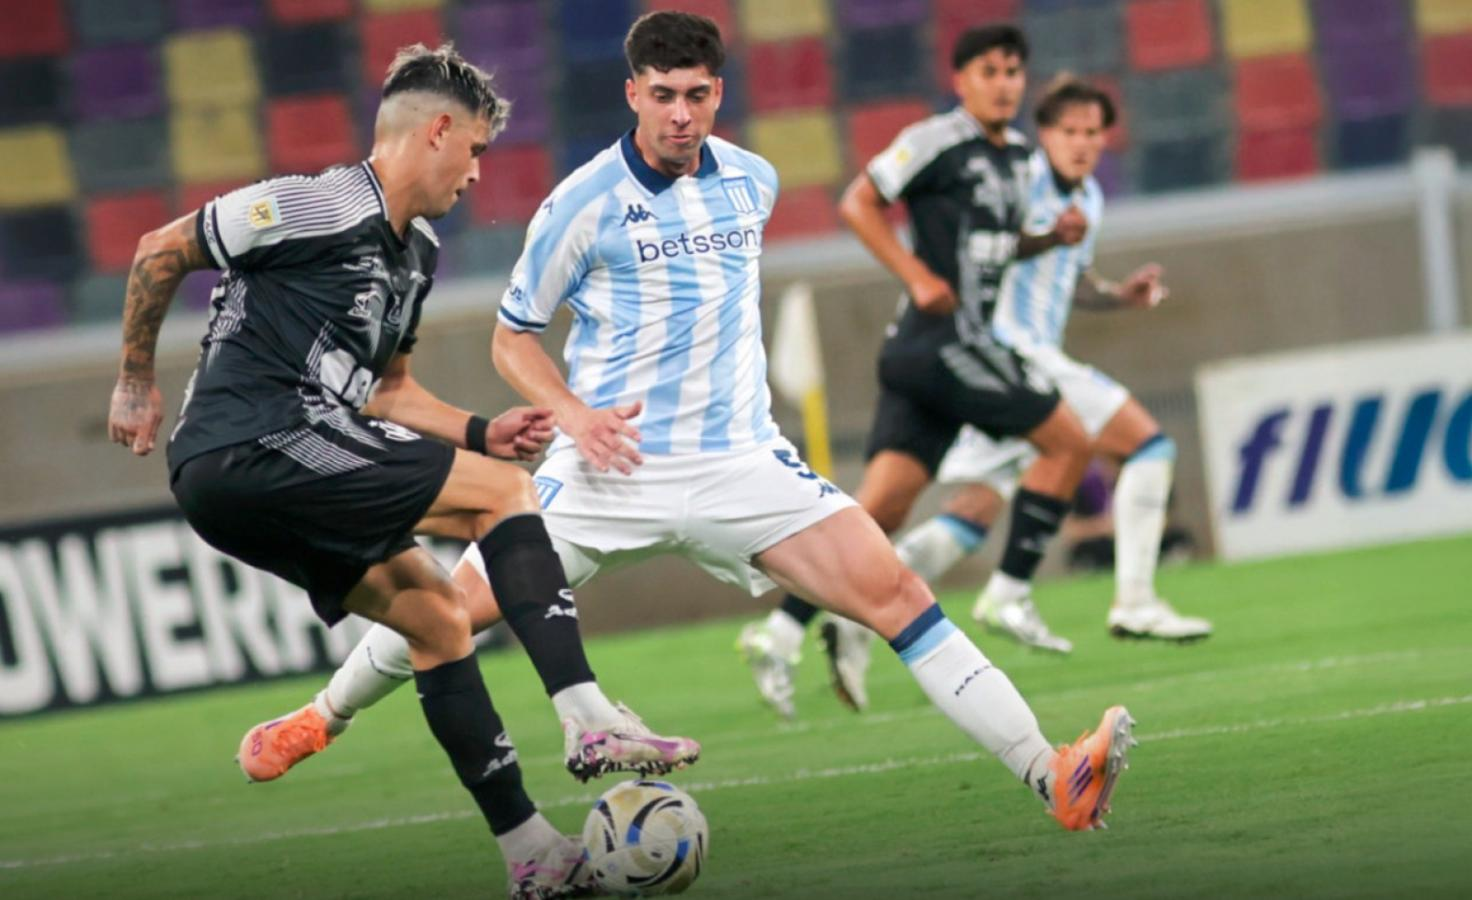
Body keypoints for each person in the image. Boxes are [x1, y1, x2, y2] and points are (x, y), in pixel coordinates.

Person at [244, 12, 1135, 835]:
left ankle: (1050, 774)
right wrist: (576, 416)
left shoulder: (754, 181)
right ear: (632, 93)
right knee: (443, 609)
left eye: (697, 94)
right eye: (663, 94)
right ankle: (321, 717)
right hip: (608, 470)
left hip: (741, 462)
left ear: (718, 92)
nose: (680, 114)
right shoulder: (581, 203)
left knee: (898, 594)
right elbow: (512, 338)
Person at [106, 43, 697, 899]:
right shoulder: (317, 203)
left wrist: (483, 431)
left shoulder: (416, 254)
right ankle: (587, 716)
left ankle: (532, 854)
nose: (477, 175)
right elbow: (160, 249)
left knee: (439, 620)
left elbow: (388, 391)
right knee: (503, 497)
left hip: (267, 466)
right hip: (250, 441)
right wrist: (134, 379)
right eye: (477, 151)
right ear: (439, 131)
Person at [740, 24, 1094, 714]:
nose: (1004, 84)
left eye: (1013, 71)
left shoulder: (1021, 157)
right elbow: (858, 201)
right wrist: (916, 275)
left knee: (880, 511)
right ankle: (1011, 593)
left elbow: (991, 246)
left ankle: (778, 633)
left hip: (931, 352)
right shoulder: (936, 139)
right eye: (989, 71)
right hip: (942, 340)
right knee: (1069, 442)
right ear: (961, 80)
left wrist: (1050, 238)